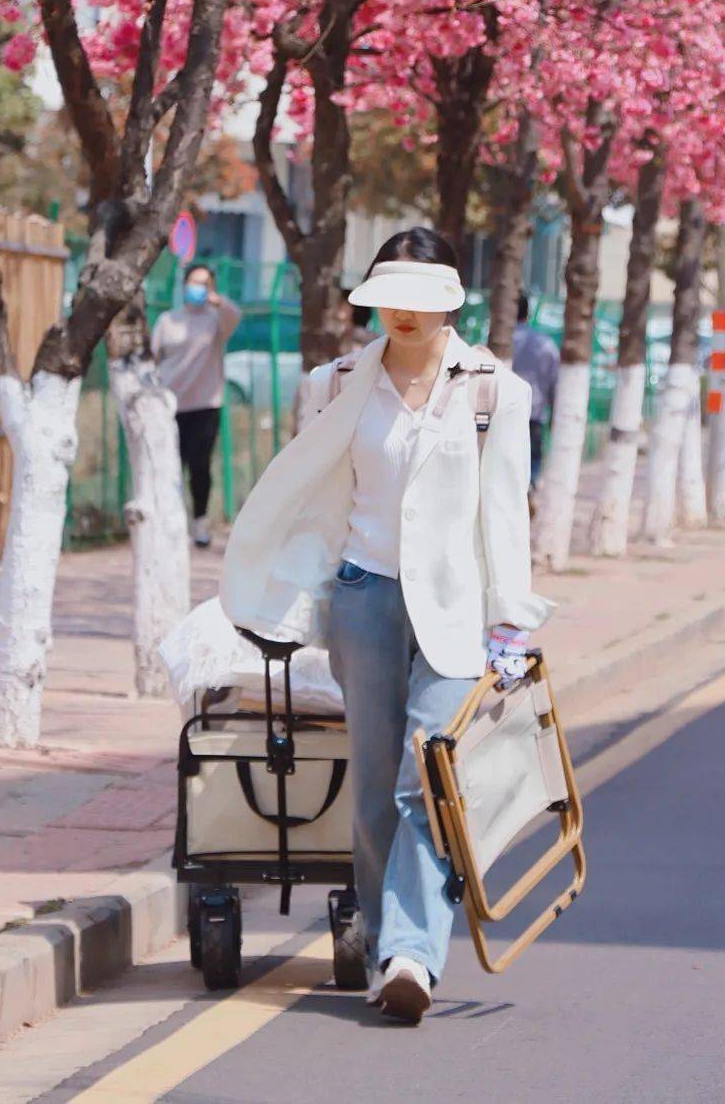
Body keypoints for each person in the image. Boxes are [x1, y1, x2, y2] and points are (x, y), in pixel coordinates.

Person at [219, 228, 552, 1025]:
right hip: (362, 600)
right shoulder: (331, 386)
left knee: (425, 781)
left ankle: (411, 955)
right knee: (371, 788)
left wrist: (510, 621)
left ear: (450, 301)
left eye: (421, 299)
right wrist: (286, 597)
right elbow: (312, 498)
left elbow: (504, 513)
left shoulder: (494, 392)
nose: (402, 314)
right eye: (388, 297)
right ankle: (376, 932)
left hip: (458, 610)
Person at [151, 262, 241, 548]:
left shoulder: (216, 322)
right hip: (169, 406)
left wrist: (218, 301)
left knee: (199, 466)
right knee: (170, 467)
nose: (197, 288)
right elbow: (153, 358)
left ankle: (200, 524)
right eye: (193, 282)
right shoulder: (167, 320)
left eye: (203, 284)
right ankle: (168, 524)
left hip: (205, 406)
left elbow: (234, 315)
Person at [511, 292, 560, 493]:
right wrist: (554, 411)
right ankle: (529, 487)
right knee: (532, 456)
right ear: (527, 313)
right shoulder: (545, 343)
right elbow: (554, 380)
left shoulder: (497, 341)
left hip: (501, 411)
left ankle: (517, 490)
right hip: (535, 411)